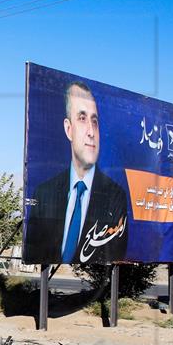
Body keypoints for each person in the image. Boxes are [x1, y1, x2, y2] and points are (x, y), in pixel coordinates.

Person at [25, 81, 128, 264]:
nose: (91, 132)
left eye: (94, 121)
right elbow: (34, 249)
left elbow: (114, 254)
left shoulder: (115, 196)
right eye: (82, 118)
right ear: (68, 129)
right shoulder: (44, 193)